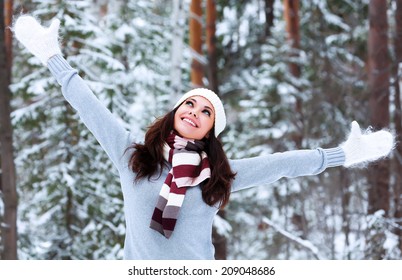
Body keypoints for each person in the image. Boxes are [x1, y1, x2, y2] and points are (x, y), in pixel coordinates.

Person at [13, 15, 394, 260]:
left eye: (206, 111)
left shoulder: (217, 177)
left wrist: (343, 154)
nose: (195, 111)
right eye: (190, 105)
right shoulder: (133, 155)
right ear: (175, 113)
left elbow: (281, 165)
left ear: (211, 130)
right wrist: (52, 57)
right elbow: (91, 107)